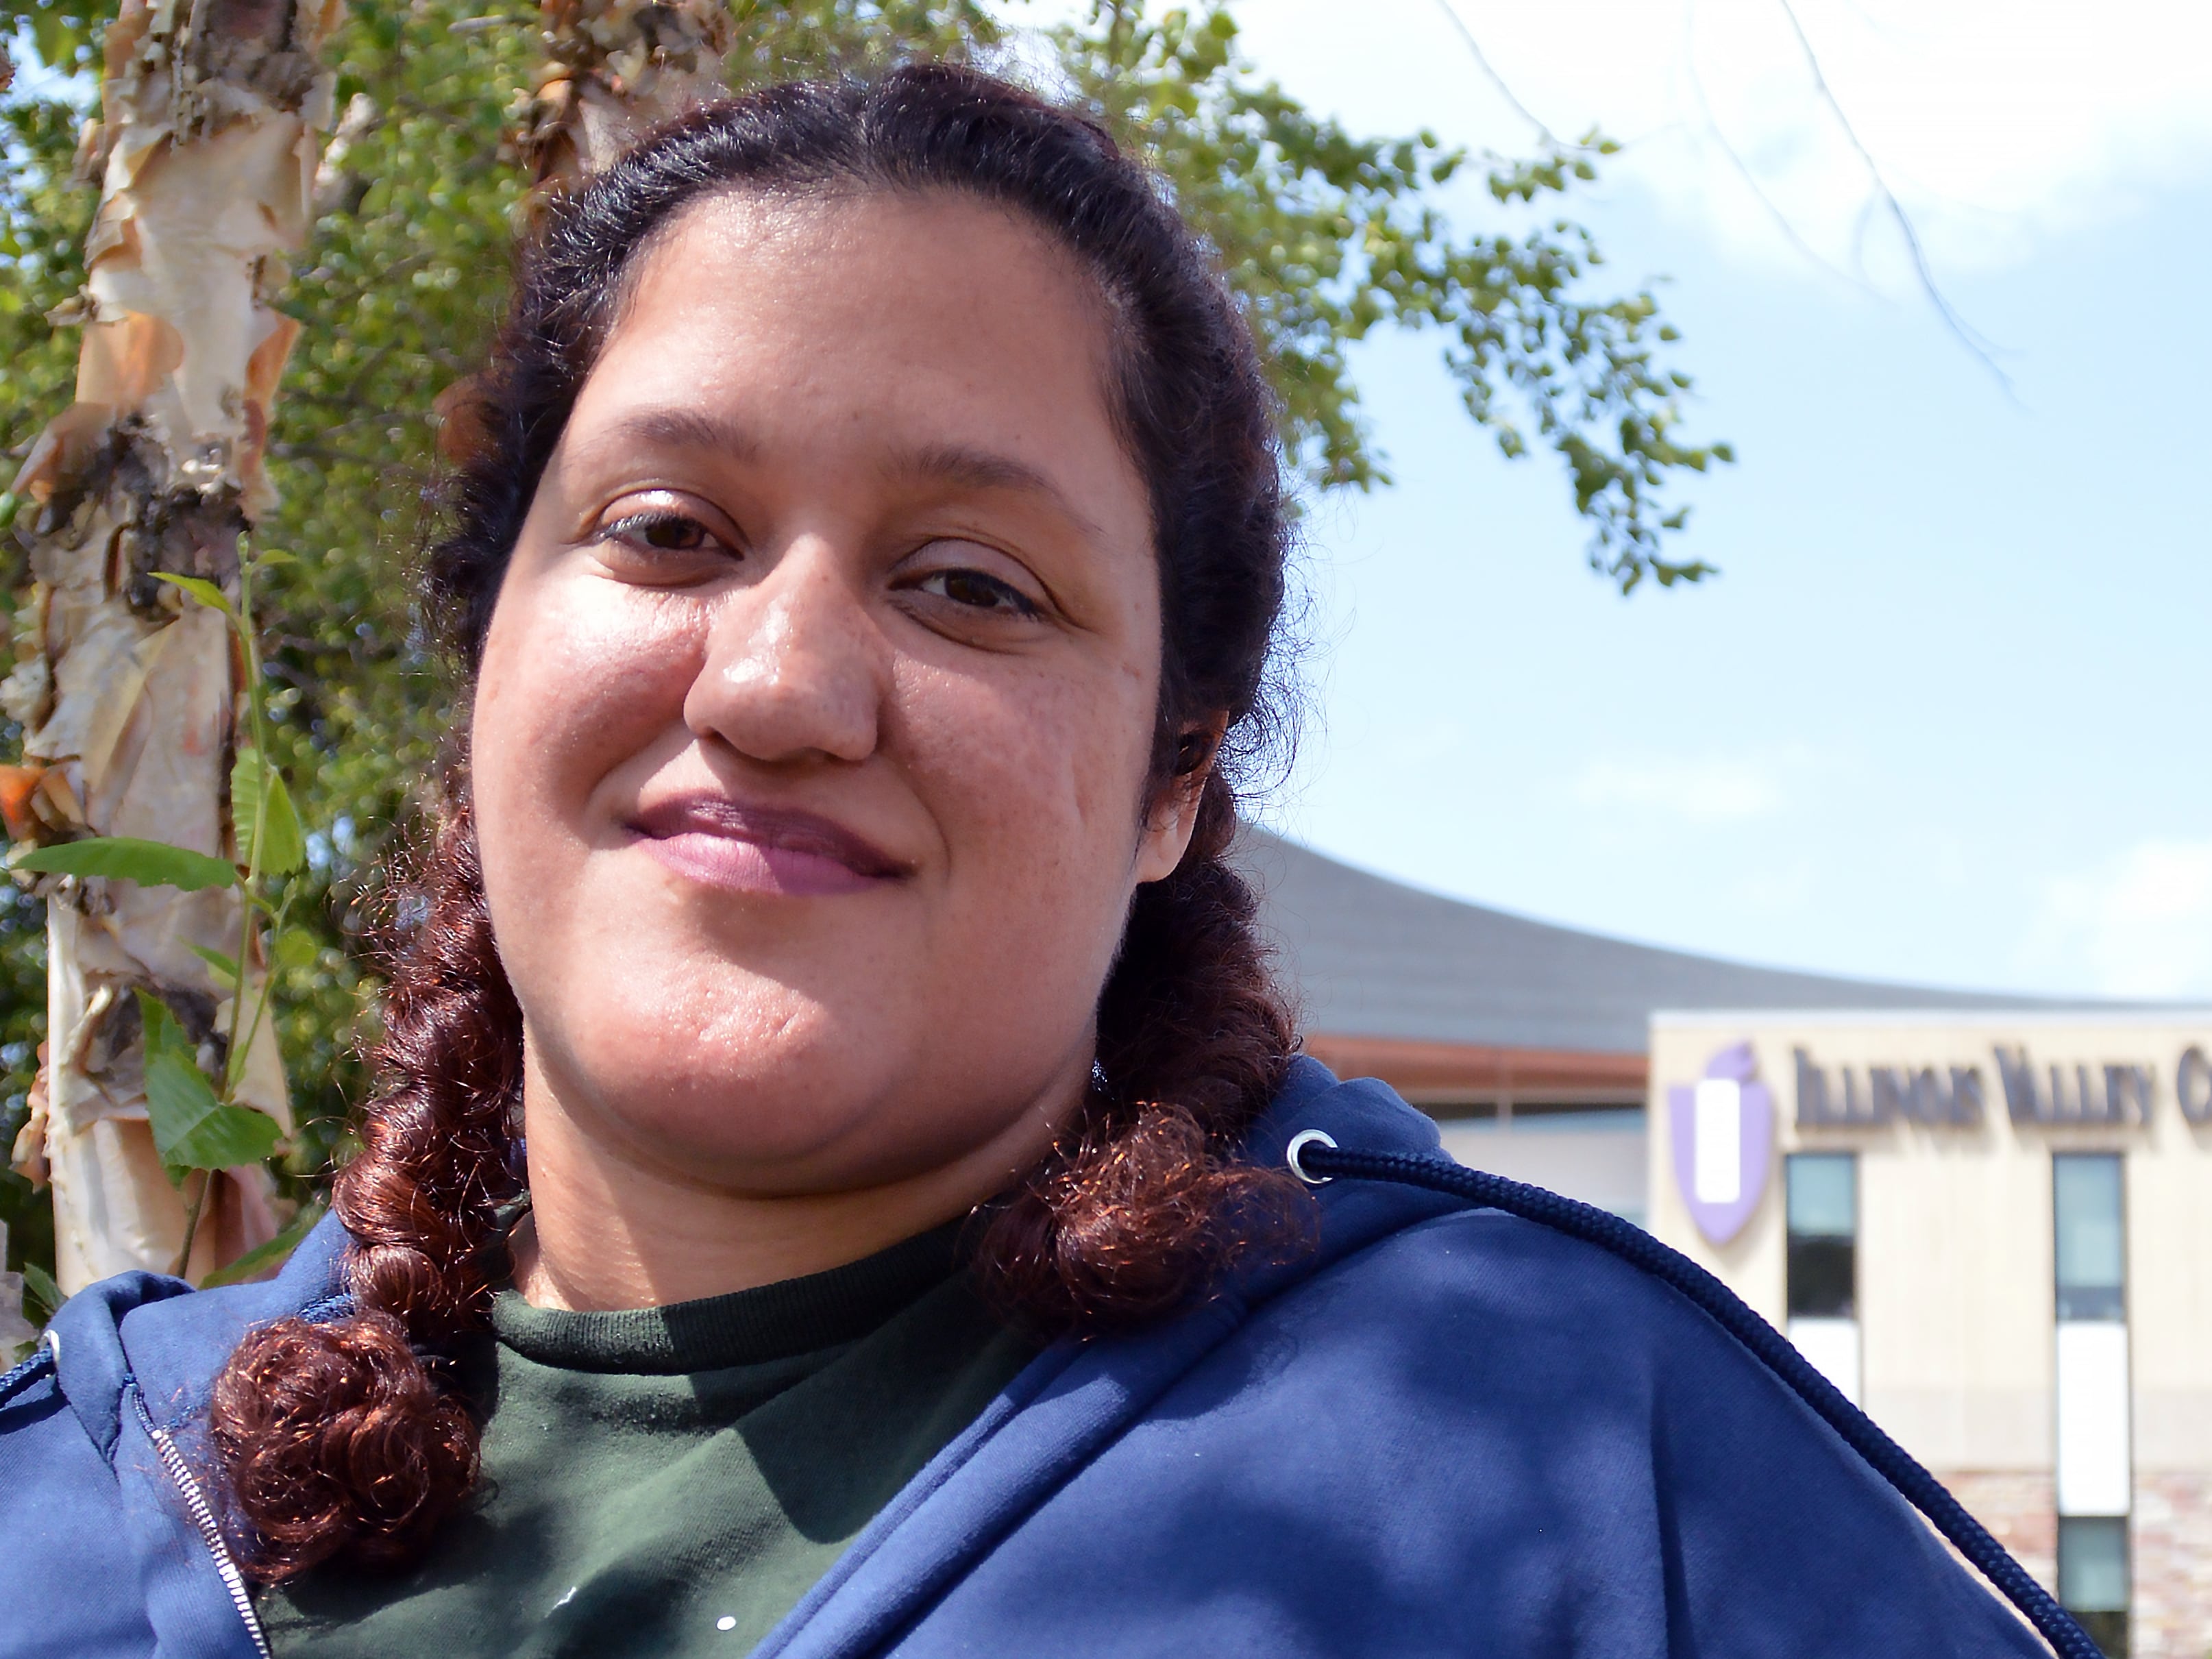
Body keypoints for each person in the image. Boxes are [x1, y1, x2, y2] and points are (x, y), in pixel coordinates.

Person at [0, 66, 2052, 1659]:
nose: (782, 682)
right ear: (490, 655)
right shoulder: (75, 1515)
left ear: (1177, 777)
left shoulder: (1586, 1468)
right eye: (666, 532)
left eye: (971, 585)